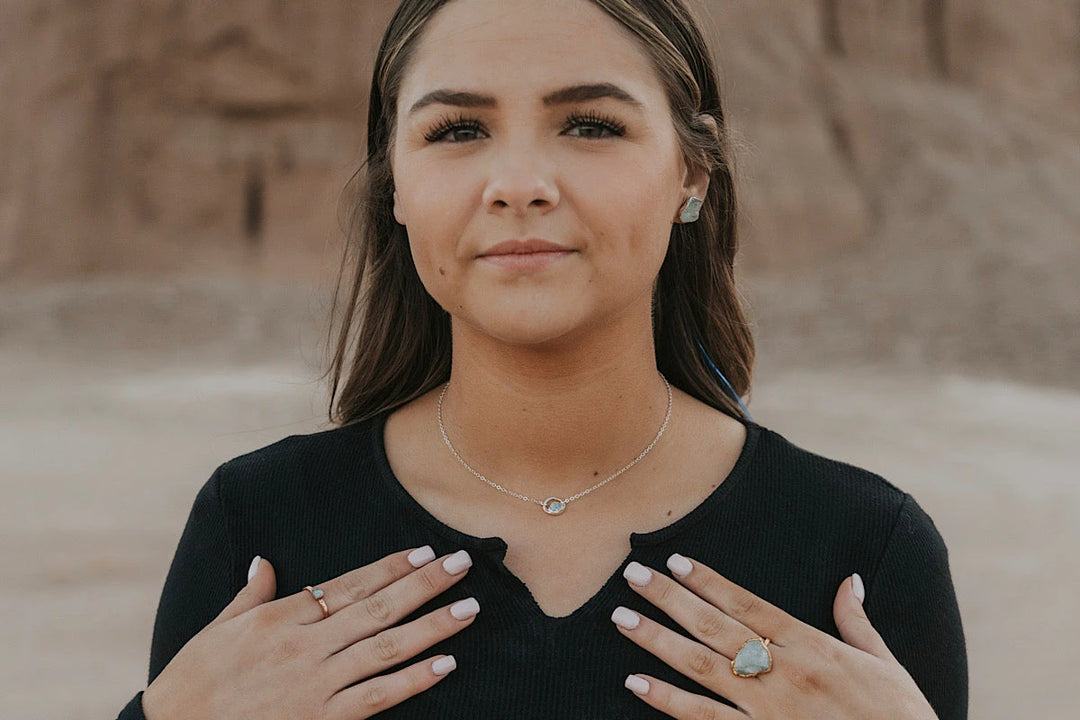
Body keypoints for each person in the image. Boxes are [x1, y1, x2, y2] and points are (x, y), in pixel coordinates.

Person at [116, 0, 967, 718]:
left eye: (591, 124)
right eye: (457, 130)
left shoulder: (863, 548)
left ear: (692, 175)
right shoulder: (259, 525)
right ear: (397, 189)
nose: (519, 182)